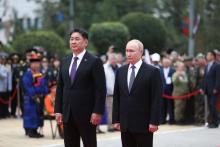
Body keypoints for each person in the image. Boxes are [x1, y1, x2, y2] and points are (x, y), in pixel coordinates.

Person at [55, 28, 106, 147]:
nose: (73, 42)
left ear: (85, 42)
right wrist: (58, 110)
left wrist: (97, 111)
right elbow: (60, 87)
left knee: (89, 144)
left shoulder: (94, 61)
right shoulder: (65, 61)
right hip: (68, 113)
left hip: (87, 114)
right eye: (71, 39)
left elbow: (100, 89)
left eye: (77, 39)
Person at [112, 39, 162, 147]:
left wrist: (154, 121)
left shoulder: (152, 72)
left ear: (141, 52)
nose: (128, 54)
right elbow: (117, 97)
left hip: (144, 124)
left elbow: (156, 99)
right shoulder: (121, 71)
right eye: (127, 51)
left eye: (132, 51)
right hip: (125, 124)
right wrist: (116, 119)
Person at [22, 53, 48, 138]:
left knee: (38, 114)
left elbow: (44, 84)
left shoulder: (40, 74)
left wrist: (44, 93)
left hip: (40, 97)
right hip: (31, 98)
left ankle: (35, 130)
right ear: (31, 64)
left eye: (38, 63)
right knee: (31, 114)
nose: (36, 65)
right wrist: (34, 96)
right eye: (34, 63)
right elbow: (27, 86)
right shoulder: (28, 74)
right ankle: (31, 131)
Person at [203, 51, 220, 128]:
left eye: (209, 55)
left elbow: (218, 78)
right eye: (207, 55)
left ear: (213, 56)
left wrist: (216, 88)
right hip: (208, 89)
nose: (207, 56)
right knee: (210, 106)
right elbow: (205, 78)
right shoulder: (207, 66)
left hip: (214, 89)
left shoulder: (217, 65)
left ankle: (215, 122)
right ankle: (211, 121)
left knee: (213, 106)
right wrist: (203, 88)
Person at [104, 53, 119, 132]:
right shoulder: (105, 68)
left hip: (119, 93)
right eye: (112, 58)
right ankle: (110, 127)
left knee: (118, 110)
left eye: (114, 58)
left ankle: (117, 125)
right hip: (110, 93)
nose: (113, 60)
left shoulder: (119, 67)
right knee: (110, 111)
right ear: (109, 59)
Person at [160, 57, 175, 124]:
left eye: (167, 62)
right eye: (164, 62)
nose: (165, 64)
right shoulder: (159, 70)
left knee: (170, 106)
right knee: (162, 106)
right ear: (162, 63)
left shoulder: (173, 70)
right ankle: (163, 120)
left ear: (169, 63)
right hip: (162, 92)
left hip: (170, 91)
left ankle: (171, 120)